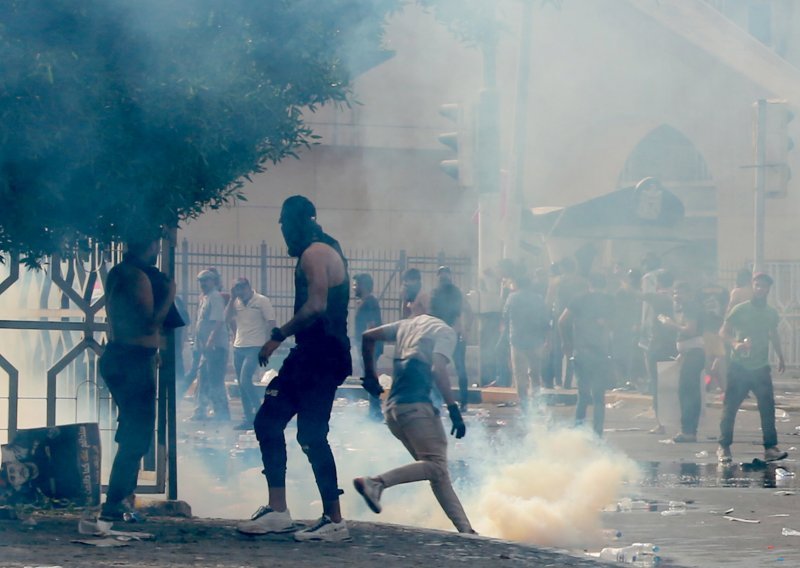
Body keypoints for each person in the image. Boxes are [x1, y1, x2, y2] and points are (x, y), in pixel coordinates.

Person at [237, 196, 352, 542]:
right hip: (314, 354)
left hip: (320, 355)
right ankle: (279, 512)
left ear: (296, 222)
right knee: (271, 422)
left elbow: (316, 305)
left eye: (284, 225)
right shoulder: (325, 248)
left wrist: (276, 336)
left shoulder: (315, 253)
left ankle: (333, 520)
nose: (284, 232)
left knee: (309, 434)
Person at [353, 283, 474, 534]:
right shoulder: (445, 331)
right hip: (417, 408)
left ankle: (466, 530)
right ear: (456, 309)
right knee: (436, 467)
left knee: (436, 471)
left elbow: (368, 337)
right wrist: (453, 409)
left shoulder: (410, 323)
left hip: (394, 411)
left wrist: (371, 376)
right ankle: (376, 483)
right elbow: (438, 369)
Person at [99, 235, 179, 521]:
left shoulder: (117, 273)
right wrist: (170, 294)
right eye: (155, 244)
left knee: (132, 430)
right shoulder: (138, 277)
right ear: (148, 245)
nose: (158, 249)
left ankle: (122, 498)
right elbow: (149, 323)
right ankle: (116, 502)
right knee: (136, 436)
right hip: (133, 361)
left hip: (120, 356)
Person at [717, 272, 787, 464]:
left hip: (761, 367)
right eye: (757, 285)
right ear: (752, 287)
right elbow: (723, 331)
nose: (759, 289)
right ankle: (724, 446)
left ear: (768, 290)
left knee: (767, 407)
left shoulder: (771, 313)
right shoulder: (740, 309)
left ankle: (770, 448)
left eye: (763, 286)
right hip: (739, 366)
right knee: (730, 407)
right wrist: (734, 343)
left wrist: (780, 356)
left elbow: (773, 334)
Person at [558, 273, 614, 436]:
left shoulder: (579, 299)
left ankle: (578, 429)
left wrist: (566, 342)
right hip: (600, 353)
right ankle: (597, 433)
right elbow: (613, 326)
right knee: (599, 397)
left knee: (583, 395)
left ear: (589, 284)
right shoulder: (609, 301)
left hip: (581, 351)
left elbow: (562, 321)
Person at [225, 277, 276, 430]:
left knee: (245, 379)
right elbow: (226, 319)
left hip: (255, 346)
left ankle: (262, 413)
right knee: (242, 385)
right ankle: (248, 418)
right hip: (239, 346)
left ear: (248, 287)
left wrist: (268, 345)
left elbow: (271, 323)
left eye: (241, 288)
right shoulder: (236, 302)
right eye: (237, 289)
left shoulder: (261, 301)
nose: (240, 292)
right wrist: (232, 298)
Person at [658, 282, 705, 443]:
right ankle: (689, 430)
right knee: (688, 392)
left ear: (689, 294)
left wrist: (671, 324)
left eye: (681, 293)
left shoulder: (690, 307)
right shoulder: (687, 307)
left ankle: (688, 431)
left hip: (695, 354)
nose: (677, 296)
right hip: (690, 353)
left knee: (687, 393)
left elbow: (690, 330)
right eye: (675, 292)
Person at [502, 275, 549, 412]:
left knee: (519, 374)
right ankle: (536, 402)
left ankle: (524, 404)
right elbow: (545, 319)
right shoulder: (538, 298)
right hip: (536, 340)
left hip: (517, 340)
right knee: (535, 373)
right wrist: (546, 338)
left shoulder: (512, 297)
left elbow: (505, 315)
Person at [638, 269, 677, 434]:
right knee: (673, 384)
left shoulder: (658, 297)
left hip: (657, 346)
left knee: (656, 385)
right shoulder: (677, 298)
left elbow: (639, 295)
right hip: (673, 345)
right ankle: (675, 419)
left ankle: (661, 423)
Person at [191, 269, 230, 421]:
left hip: (215, 347)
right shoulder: (205, 298)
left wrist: (210, 341)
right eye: (201, 281)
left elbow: (218, 321)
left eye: (206, 280)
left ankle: (221, 413)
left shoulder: (215, 297)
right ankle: (200, 411)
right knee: (203, 377)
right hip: (206, 348)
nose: (203, 283)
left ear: (213, 281)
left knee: (215, 380)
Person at [436, 266, 474, 410]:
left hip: (454, 333)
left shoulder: (456, 293)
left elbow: (469, 312)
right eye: (441, 275)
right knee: (438, 367)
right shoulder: (436, 293)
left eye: (446, 275)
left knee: (460, 368)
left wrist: (466, 330)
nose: (443, 278)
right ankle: (438, 400)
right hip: (441, 334)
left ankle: (463, 401)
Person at [353, 273, 384, 421]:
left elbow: (372, 325)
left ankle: (376, 411)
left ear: (363, 286)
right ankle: (374, 409)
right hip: (366, 345)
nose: (354, 287)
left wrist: (367, 347)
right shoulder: (366, 301)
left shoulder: (369, 302)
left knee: (370, 375)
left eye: (356, 284)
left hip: (369, 346)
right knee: (370, 375)